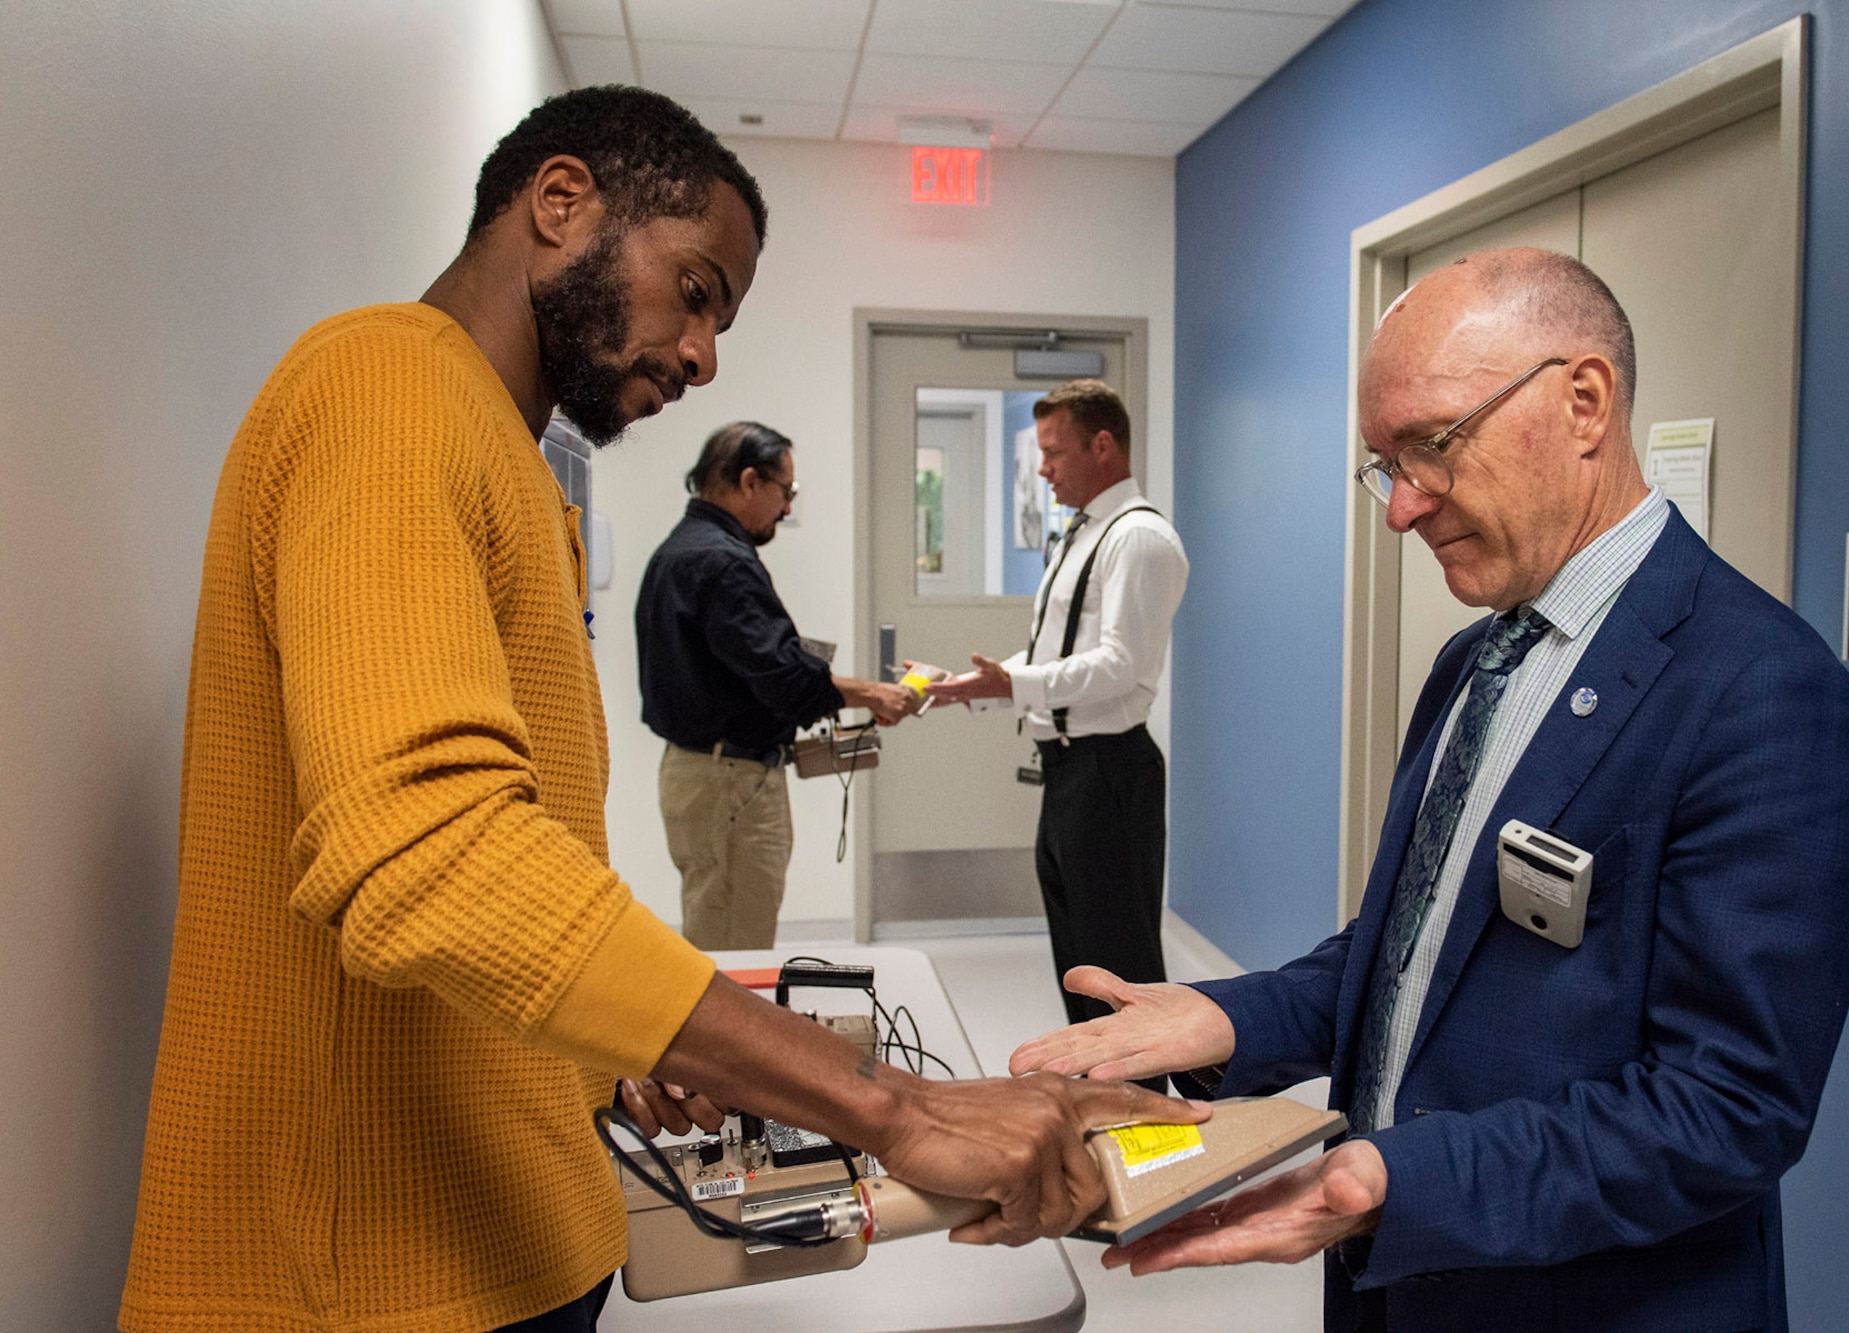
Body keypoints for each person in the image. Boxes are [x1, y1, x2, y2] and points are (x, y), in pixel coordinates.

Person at [120, 86, 1199, 1333]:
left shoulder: (501, 457)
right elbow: (430, 852)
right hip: (364, 1269)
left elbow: (522, 854)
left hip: (496, 1216)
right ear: (561, 202)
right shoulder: (386, 388)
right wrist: (895, 1107)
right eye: (695, 290)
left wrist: (621, 1038)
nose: (701, 354)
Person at [1010, 248, 1849, 1332]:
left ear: (1583, 402)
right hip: (1396, 1284)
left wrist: (1399, 1181)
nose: (1401, 507)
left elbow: (1723, 1109)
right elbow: (1408, 949)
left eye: (1430, 445)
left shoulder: (1761, 695)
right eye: (1384, 463)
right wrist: (1223, 1018)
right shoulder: (1473, 662)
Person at [927, 380, 1189, 1042]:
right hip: (1069, 773)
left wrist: (1013, 687)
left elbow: (1118, 666)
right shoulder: (1080, 535)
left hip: (1110, 772)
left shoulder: (1140, 539)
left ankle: (1150, 1112)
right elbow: (1059, 648)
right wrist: (981, 684)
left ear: (1103, 446)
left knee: (1120, 966)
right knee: (1077, 956)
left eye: (1053, 452)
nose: (1042, 468)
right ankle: (1095, 1091)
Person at [636, 420, 916, 950]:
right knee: (734, 947)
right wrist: (873, 693)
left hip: (703, 775)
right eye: (785, 492)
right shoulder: (721, 562)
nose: (787, 508)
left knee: (717, 920)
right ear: (748, 482)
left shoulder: (681, 549)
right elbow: (785, 676)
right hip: (730, 783)